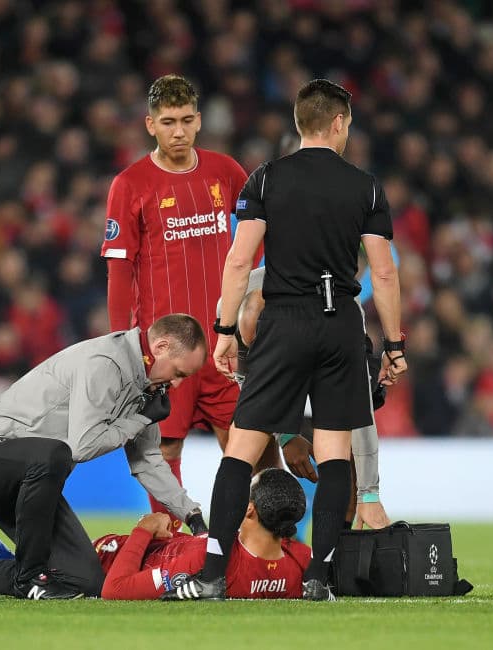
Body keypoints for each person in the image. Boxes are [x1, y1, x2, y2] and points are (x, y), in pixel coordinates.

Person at [170, 79, 406, 602]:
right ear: (339, 123)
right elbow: (385, 274)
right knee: (334, 452)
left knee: (243, 448)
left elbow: (240, 261)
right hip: (340, 322)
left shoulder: (266, 179)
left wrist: (225, 330)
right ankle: (320, 577)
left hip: (283, 319)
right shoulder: (365, 187)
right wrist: (393, 345)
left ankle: (212, 573)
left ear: (301, 123)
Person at [101, 74, 274, 532]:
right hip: (165, 355)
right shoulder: (130, 184)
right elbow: (119, 272)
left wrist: (250, 293)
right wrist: (121, 345)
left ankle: (262, 545)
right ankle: (171, 547)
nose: (178, 131)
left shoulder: (226, 172)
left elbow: (256, 236)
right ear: (150, 125)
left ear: (198, 121)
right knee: (163, 451)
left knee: (253, 447)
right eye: (167, 122)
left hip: (225, 345)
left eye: (185, 120)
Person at [0, 314, 207, 600]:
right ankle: (29, 577)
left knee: (86, 582)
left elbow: (147, 461)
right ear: (160, 347)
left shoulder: (147, 387)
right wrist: (140, 420)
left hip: (33, 483)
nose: (177, 385)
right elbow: (82, 446)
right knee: (54, 453)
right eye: (178, 373)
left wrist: (193, 516)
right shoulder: (106, 362)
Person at [231, 267, 393, 532]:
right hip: (290, 367)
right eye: (252, 346)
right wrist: (285, 436)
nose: (258, 353)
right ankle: (273, 542)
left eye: (262, 346)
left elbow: (361, 416)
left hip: (333, 358)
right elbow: (247, 385)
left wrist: (369, 494)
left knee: (345, 468)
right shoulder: (230, 305)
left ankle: (337, 546)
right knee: (250, 441)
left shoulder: (340, 313)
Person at [100, 468, 309, 599]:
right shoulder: (298, 563)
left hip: (103, 558)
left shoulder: (210, 562)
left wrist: (144, 528)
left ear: (249, 509)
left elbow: (115, 589)